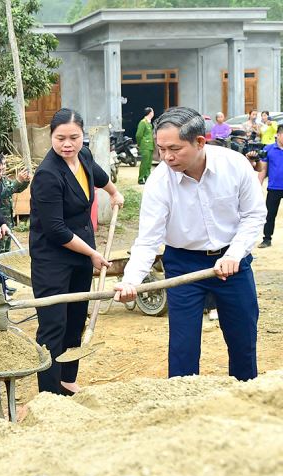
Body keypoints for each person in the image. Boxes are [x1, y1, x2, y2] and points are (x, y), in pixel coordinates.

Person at [114, 107, 266, 382]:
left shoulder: (234, 165)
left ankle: (245, 399)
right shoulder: (159, 181)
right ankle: (181, 406)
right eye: (161, 149)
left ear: (199, 142)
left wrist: (233, 254)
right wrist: (131, 280)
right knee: (183, 346)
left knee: (243, 338)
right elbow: (149, 239)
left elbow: (254, 215)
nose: (166, 157)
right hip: (184, 266)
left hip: (233, 263)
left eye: (174, 148)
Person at [30, 108, 124, 396]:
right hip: (53, 260)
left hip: (81, 253)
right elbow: (56, 230)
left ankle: (67, 379)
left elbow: (97, 174)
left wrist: (113, 191)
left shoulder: (82, 156)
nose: (67, 144)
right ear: (51, 137)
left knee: (75, 320)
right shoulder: (47, 175)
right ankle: (48, 392)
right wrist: (93, 254)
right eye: (60, 138)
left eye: (74, 137)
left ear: (83, 137)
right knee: (53, 326)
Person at [257, 125, 283, 248]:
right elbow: (262, 169)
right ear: (278, 134)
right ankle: (267, 239)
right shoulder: (268, 149)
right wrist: (257, 186)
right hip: (274, 188)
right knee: (270, 215)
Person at [0, 163, 30, 254]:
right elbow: (3, 194)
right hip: (0, 220)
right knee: (0, 250)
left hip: (9, 220)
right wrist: (18, 180)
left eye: (4, 164)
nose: (3, 166)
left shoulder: (5, 179)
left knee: (7, 249)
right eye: (1, 164)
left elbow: (17, 189)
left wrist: (25, 181)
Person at [136, 107, 155, 184]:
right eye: (152, 112)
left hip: (150, 146)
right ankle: (140, 178)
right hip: (145, 146)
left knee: (148, 163)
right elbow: (138, 135)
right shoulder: (143, 122)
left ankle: (147, 178)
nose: (153, 113)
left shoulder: (149, 123)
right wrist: (140, 144)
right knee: (144, 163)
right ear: (150, 113)